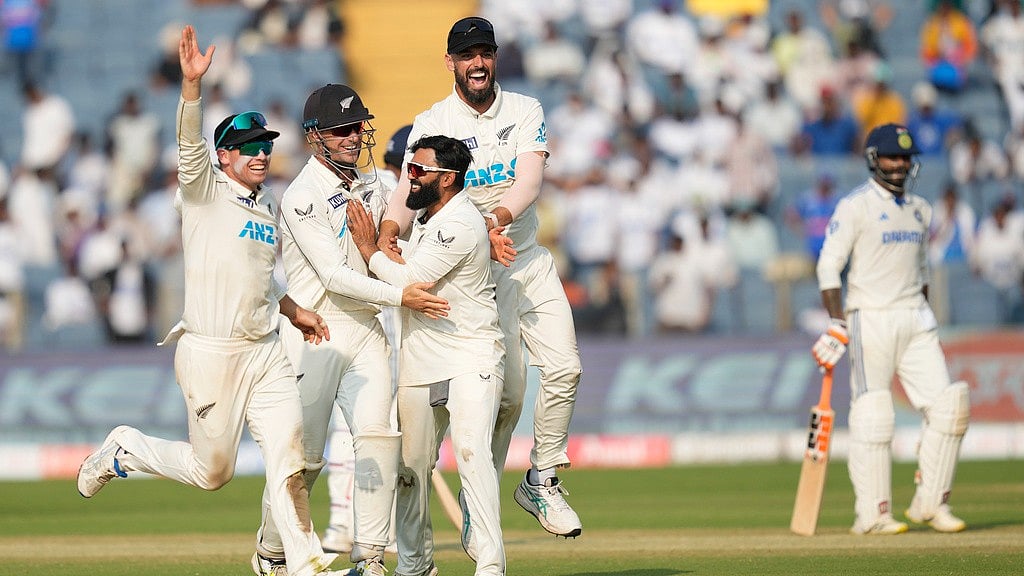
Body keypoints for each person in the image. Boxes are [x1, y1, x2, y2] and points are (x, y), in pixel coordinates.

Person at [76, 25, 347, 576]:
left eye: (265, 146)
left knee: (289, 458)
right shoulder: (203, 193)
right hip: (210, 352)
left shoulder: (267, 206)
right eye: (248, 148)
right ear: (224, 156)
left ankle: (304, 564)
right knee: (213, 471)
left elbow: (262, 278)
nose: (260, 154)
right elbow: (188, 146)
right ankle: (126, 449)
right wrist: (192, 89)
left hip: (265, 351)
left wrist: (294, 311)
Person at [377, 16, 584, 541]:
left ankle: (543, 476)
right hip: (476, 276)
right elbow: (408, 190)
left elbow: (529, 179)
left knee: (566, 368)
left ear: (494, 58)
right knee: (509, 397)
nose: (478, 63)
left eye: (485, 53)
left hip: (526, 256)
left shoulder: (524, 109)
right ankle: (480, 501)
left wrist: (494, 220)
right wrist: (386, 231)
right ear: (450, 62)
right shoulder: (431, 121)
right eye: (467, 54)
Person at [251, 85, 448, 576]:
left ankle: (371, 558)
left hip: (366, 328)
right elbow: (335, 276)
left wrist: (385, 242)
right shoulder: (300, 195)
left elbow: (401, 231)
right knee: (306, 460)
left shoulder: (372, 183)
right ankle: (271, 552)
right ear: (315, 137)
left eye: (358, 127)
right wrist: (398, 291)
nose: (353, 136)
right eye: (342, 129)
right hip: (316, 334)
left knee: (379, 439)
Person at [349, 135, 505, 576]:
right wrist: (389, 249)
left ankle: (491, 567)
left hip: (471, 356)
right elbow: (405, 270)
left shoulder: (460, 221)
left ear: (448, 179)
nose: (409, 179)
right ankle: (415, 566)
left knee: (473, 456)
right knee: (410, 470)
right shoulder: (425, 218)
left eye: (418, 171)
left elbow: (412, 281)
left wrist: (369, 250)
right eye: (408, 170)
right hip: (419, 359)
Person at [814, 123, 970, 535]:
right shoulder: (855, 207)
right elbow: (829, 265)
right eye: (892, 156)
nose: (900, 164)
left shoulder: (921, 209)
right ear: (873, 159)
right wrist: (835, 320)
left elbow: (921, 270)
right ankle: (872, 515)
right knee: (873, 414)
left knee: (950, 407)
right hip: (870, 316)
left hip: (915, 316)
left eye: (905, 157)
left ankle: (931, 503)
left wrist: (922, 306)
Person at [320, 123, 413, 557]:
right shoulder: (398, 195)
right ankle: (380, 528)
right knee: (379, 428)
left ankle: (343, 523)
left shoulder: (375, 185)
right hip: (386, 318)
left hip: (352, 314)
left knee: (351, 426)